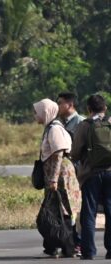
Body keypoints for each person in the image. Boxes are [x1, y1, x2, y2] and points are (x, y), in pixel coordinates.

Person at [33, 98, 81, 258]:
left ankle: (68, 247)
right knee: (52, 212)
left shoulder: (54, 129)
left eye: (37, 112)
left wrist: (53, 179)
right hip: (57, 176)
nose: (35, 115)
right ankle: (52, 246)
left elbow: (58, 153)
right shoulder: (51, 128)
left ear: (45, 112)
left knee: (62, 211)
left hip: (60, 176)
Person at [71, 94, 111, 260]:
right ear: (105, 108)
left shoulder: (84, 125)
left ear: (88, 109)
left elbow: (75, 152)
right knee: (110, 211)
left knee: (89, 213)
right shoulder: (110, 123)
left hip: (90, 174)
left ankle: (88, 251)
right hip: (110, 172)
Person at [56, 92, 84, 255]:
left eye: (60, 103)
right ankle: (70, 242)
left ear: (70, 104)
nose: (58, 106)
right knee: (67, 209)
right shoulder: (61, 123)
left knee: (78, 209)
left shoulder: (80, 122)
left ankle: (78, 243)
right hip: (66, 174)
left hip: (78, 173)